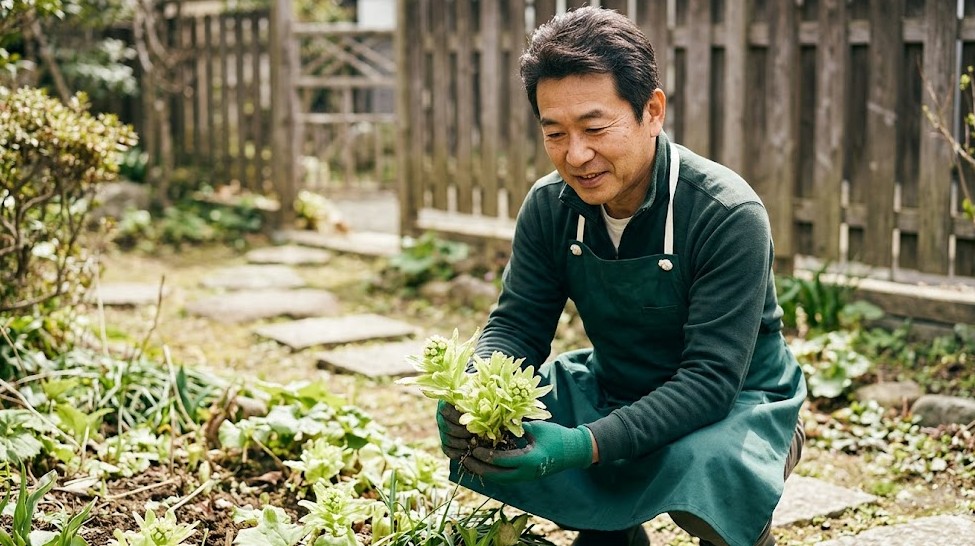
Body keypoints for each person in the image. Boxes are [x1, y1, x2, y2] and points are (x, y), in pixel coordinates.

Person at [435, 6, 806, 546]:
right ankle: (611, 534)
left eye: (594, 127)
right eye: (555, 132)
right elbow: (518, 325)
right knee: (504, 430)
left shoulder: (725, 212)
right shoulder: (550, 206)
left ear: (651, 111)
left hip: (743, 402)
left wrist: (580, 446)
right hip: (617, 384)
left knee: (706, 466)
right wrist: (476, 391)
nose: (576, 155)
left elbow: (709, 382)